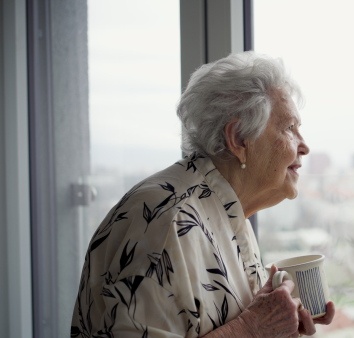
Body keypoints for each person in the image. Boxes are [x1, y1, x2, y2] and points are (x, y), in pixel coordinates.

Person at [71, 51, 335, 337]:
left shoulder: (226, 212)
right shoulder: (167, 221)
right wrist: (253, 328)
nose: (304, 146)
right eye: (289, 128)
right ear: (238, 139)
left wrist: (276, 324)